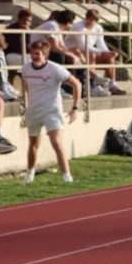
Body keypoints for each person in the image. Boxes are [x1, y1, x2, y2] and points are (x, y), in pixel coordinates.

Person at [21, 39, 81, 184]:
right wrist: (26, 105)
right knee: (33, 143)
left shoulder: (55, 69)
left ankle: (67, 176)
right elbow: (26, 84)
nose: (34, 56)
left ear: (45, 55)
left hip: (51, 110)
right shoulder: (26, 68)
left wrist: (74, 109)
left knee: (57, 142)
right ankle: (29, 175)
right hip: (34, 111)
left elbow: (77, 84)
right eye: (32, 53)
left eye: (37, 54)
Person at [65, 9, 125, 95]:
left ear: (96, 21)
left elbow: (101, 43)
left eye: (92, 19)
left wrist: (108, 53)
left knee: (110, 59)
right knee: (91, 54)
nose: (89, 21)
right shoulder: (78, 26)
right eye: (88, 18)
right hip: (72, 52)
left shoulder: (98, 28)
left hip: (86, 53)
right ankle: (93, 83)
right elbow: (82, 45)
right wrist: (101, 53)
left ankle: (112, 85)